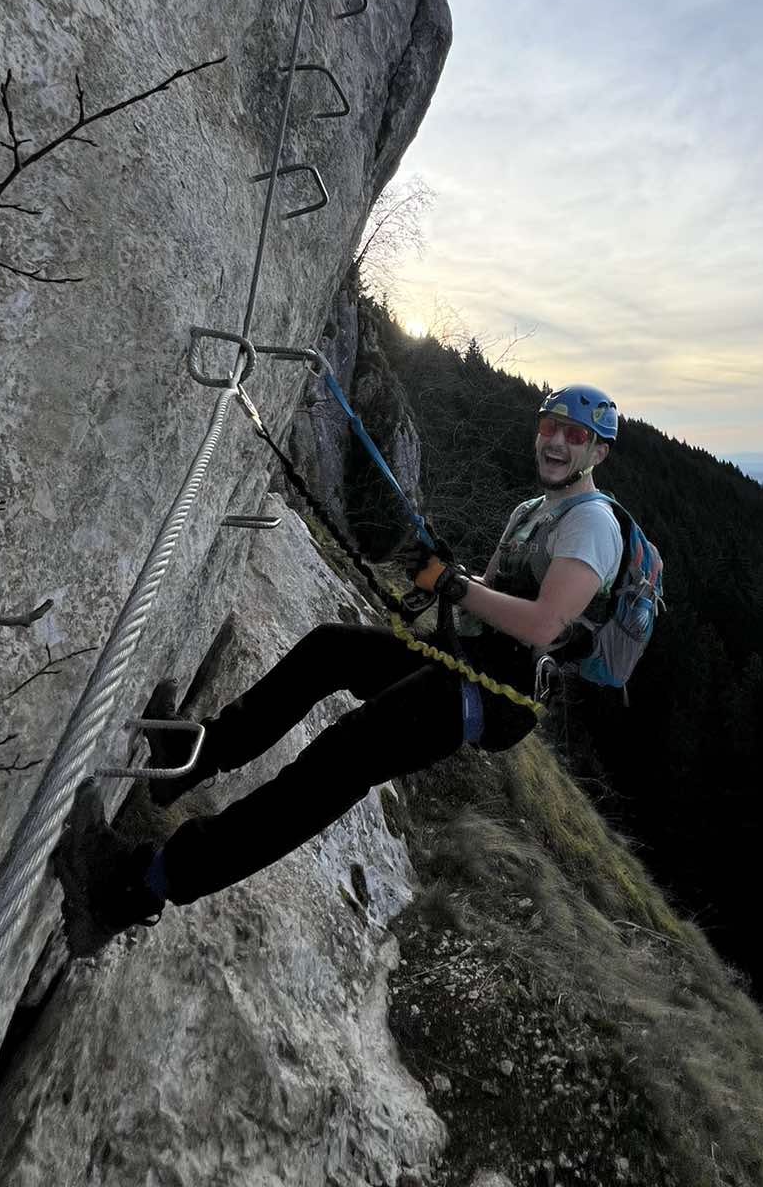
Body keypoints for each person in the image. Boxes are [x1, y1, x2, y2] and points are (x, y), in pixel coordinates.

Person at [55, 384, 626, 956]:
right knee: (333, 649)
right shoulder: (533, 512)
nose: (555, 441)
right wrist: (446, 576)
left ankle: (134, 887)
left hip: (484, 698)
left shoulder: (592, 523)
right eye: (549, 426)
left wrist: (451, 585)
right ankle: (191, 761)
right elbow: (494, 601)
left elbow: (544, 626)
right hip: (469, 664)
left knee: (331, 767)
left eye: (574, 435)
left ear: (597, 453)